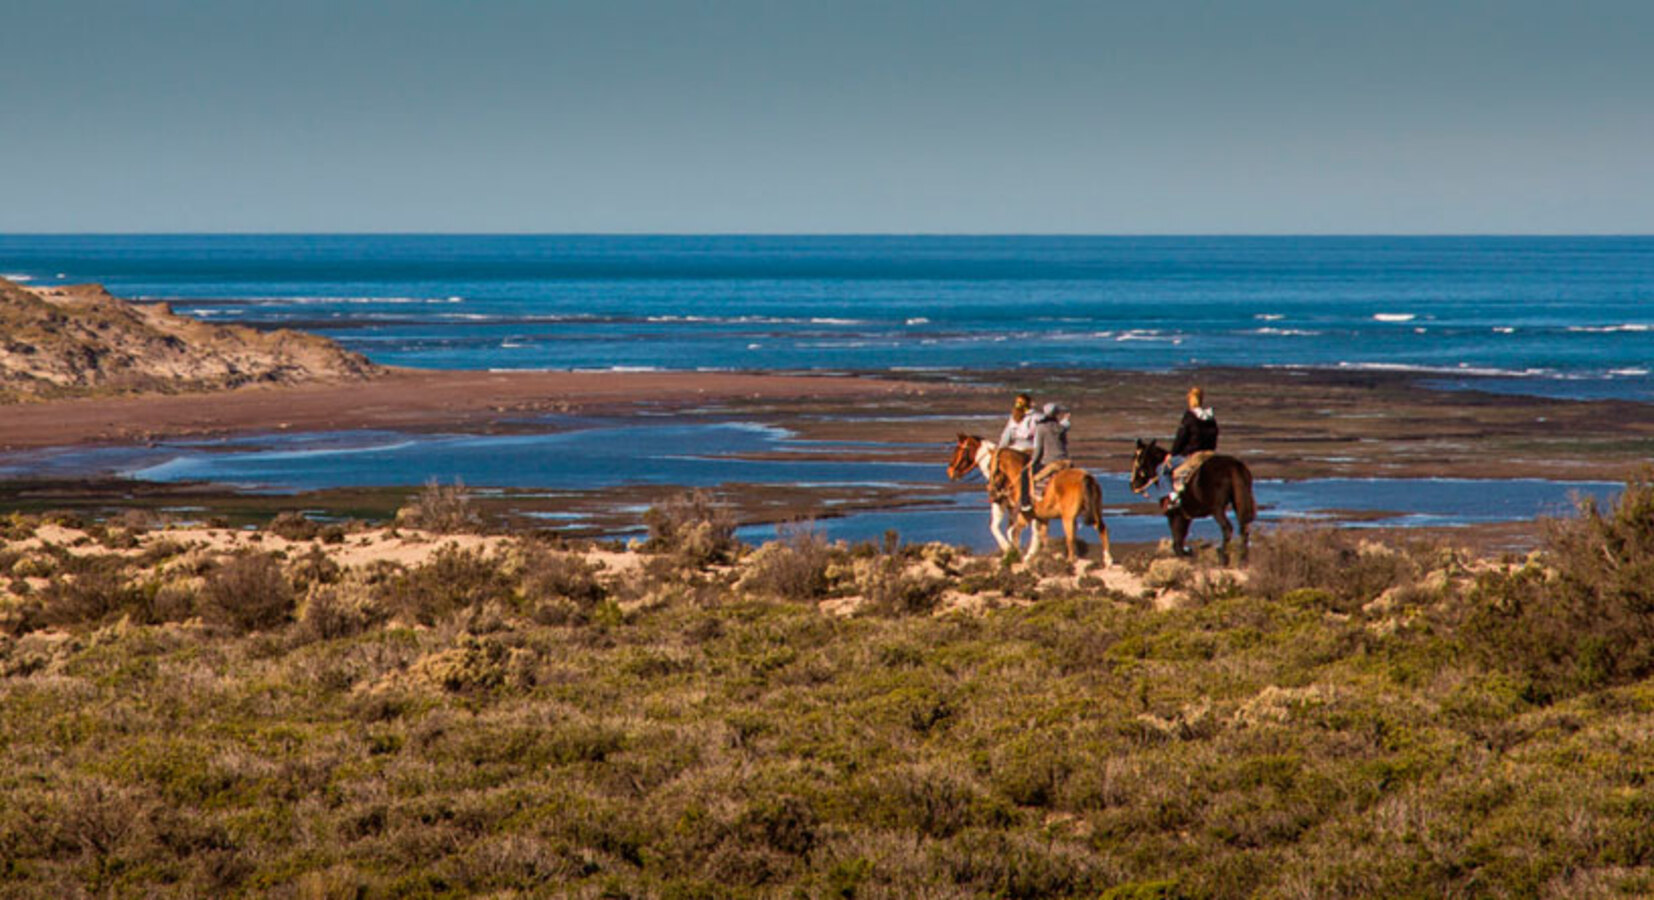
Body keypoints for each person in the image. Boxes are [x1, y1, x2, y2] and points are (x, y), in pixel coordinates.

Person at [1166, 386, 1219, 505]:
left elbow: (1181, 437)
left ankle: (1175, 499)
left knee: (1167, 471)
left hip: (1194, 455)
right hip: (1211, 454)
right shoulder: (1210, 418)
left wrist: (1172, 453)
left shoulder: (1189, 417)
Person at [1019, 402, 1072, 514]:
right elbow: (1066, 425)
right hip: (1066, 461)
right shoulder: (1061, 428)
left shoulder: (1041, 428)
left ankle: (1025, 504)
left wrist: (1032, 462)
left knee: (1024, 474)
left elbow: (1038, 449)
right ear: (1056, 414)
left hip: (1049, 462)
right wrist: (1066, 418)